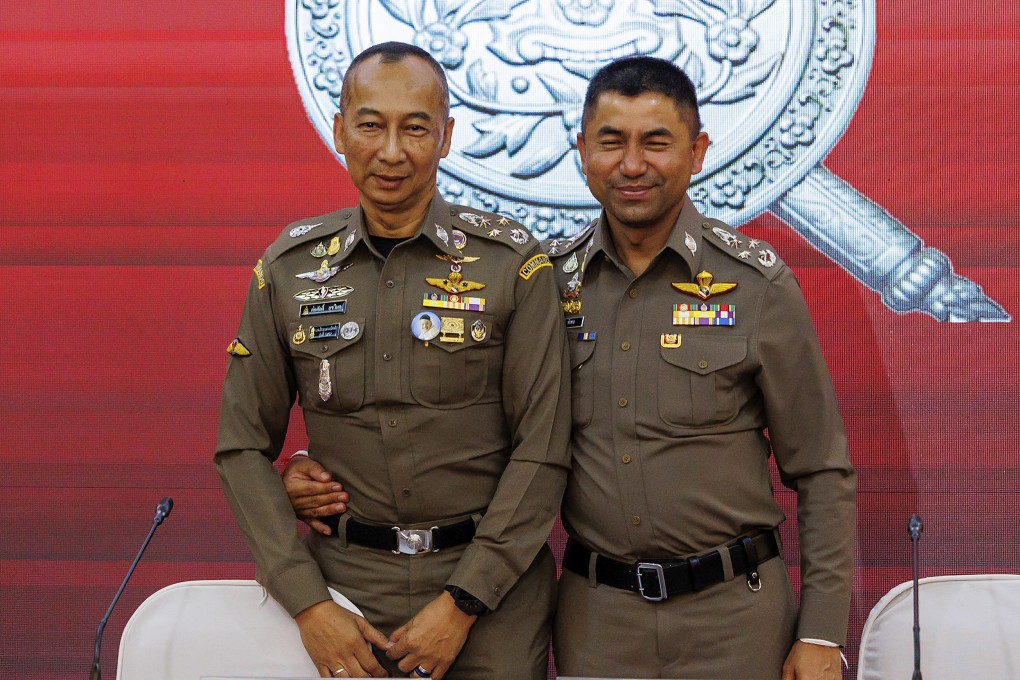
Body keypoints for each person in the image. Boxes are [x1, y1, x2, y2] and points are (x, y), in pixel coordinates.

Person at [285, 55, 856, 679]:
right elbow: (463, 418)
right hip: (598, 618)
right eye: (611, 142)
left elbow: (822, 470)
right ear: (582, 152)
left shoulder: (756, 286)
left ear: (697, 153)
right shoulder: (543, 283)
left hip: (736, 618)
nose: (632, 164)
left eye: (656, 143)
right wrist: (317, 472)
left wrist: (823, 634)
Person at [215, 41, 570, 680]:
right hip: (341, 597)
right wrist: (307, 604)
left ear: (447, 136)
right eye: (370, 124)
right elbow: (241, 446)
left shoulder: (511, 265)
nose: (391, 151)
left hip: (491, 598)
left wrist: (463, 603)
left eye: (415, 128)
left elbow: (543, 449)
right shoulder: (290, 270)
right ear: (339, 130)